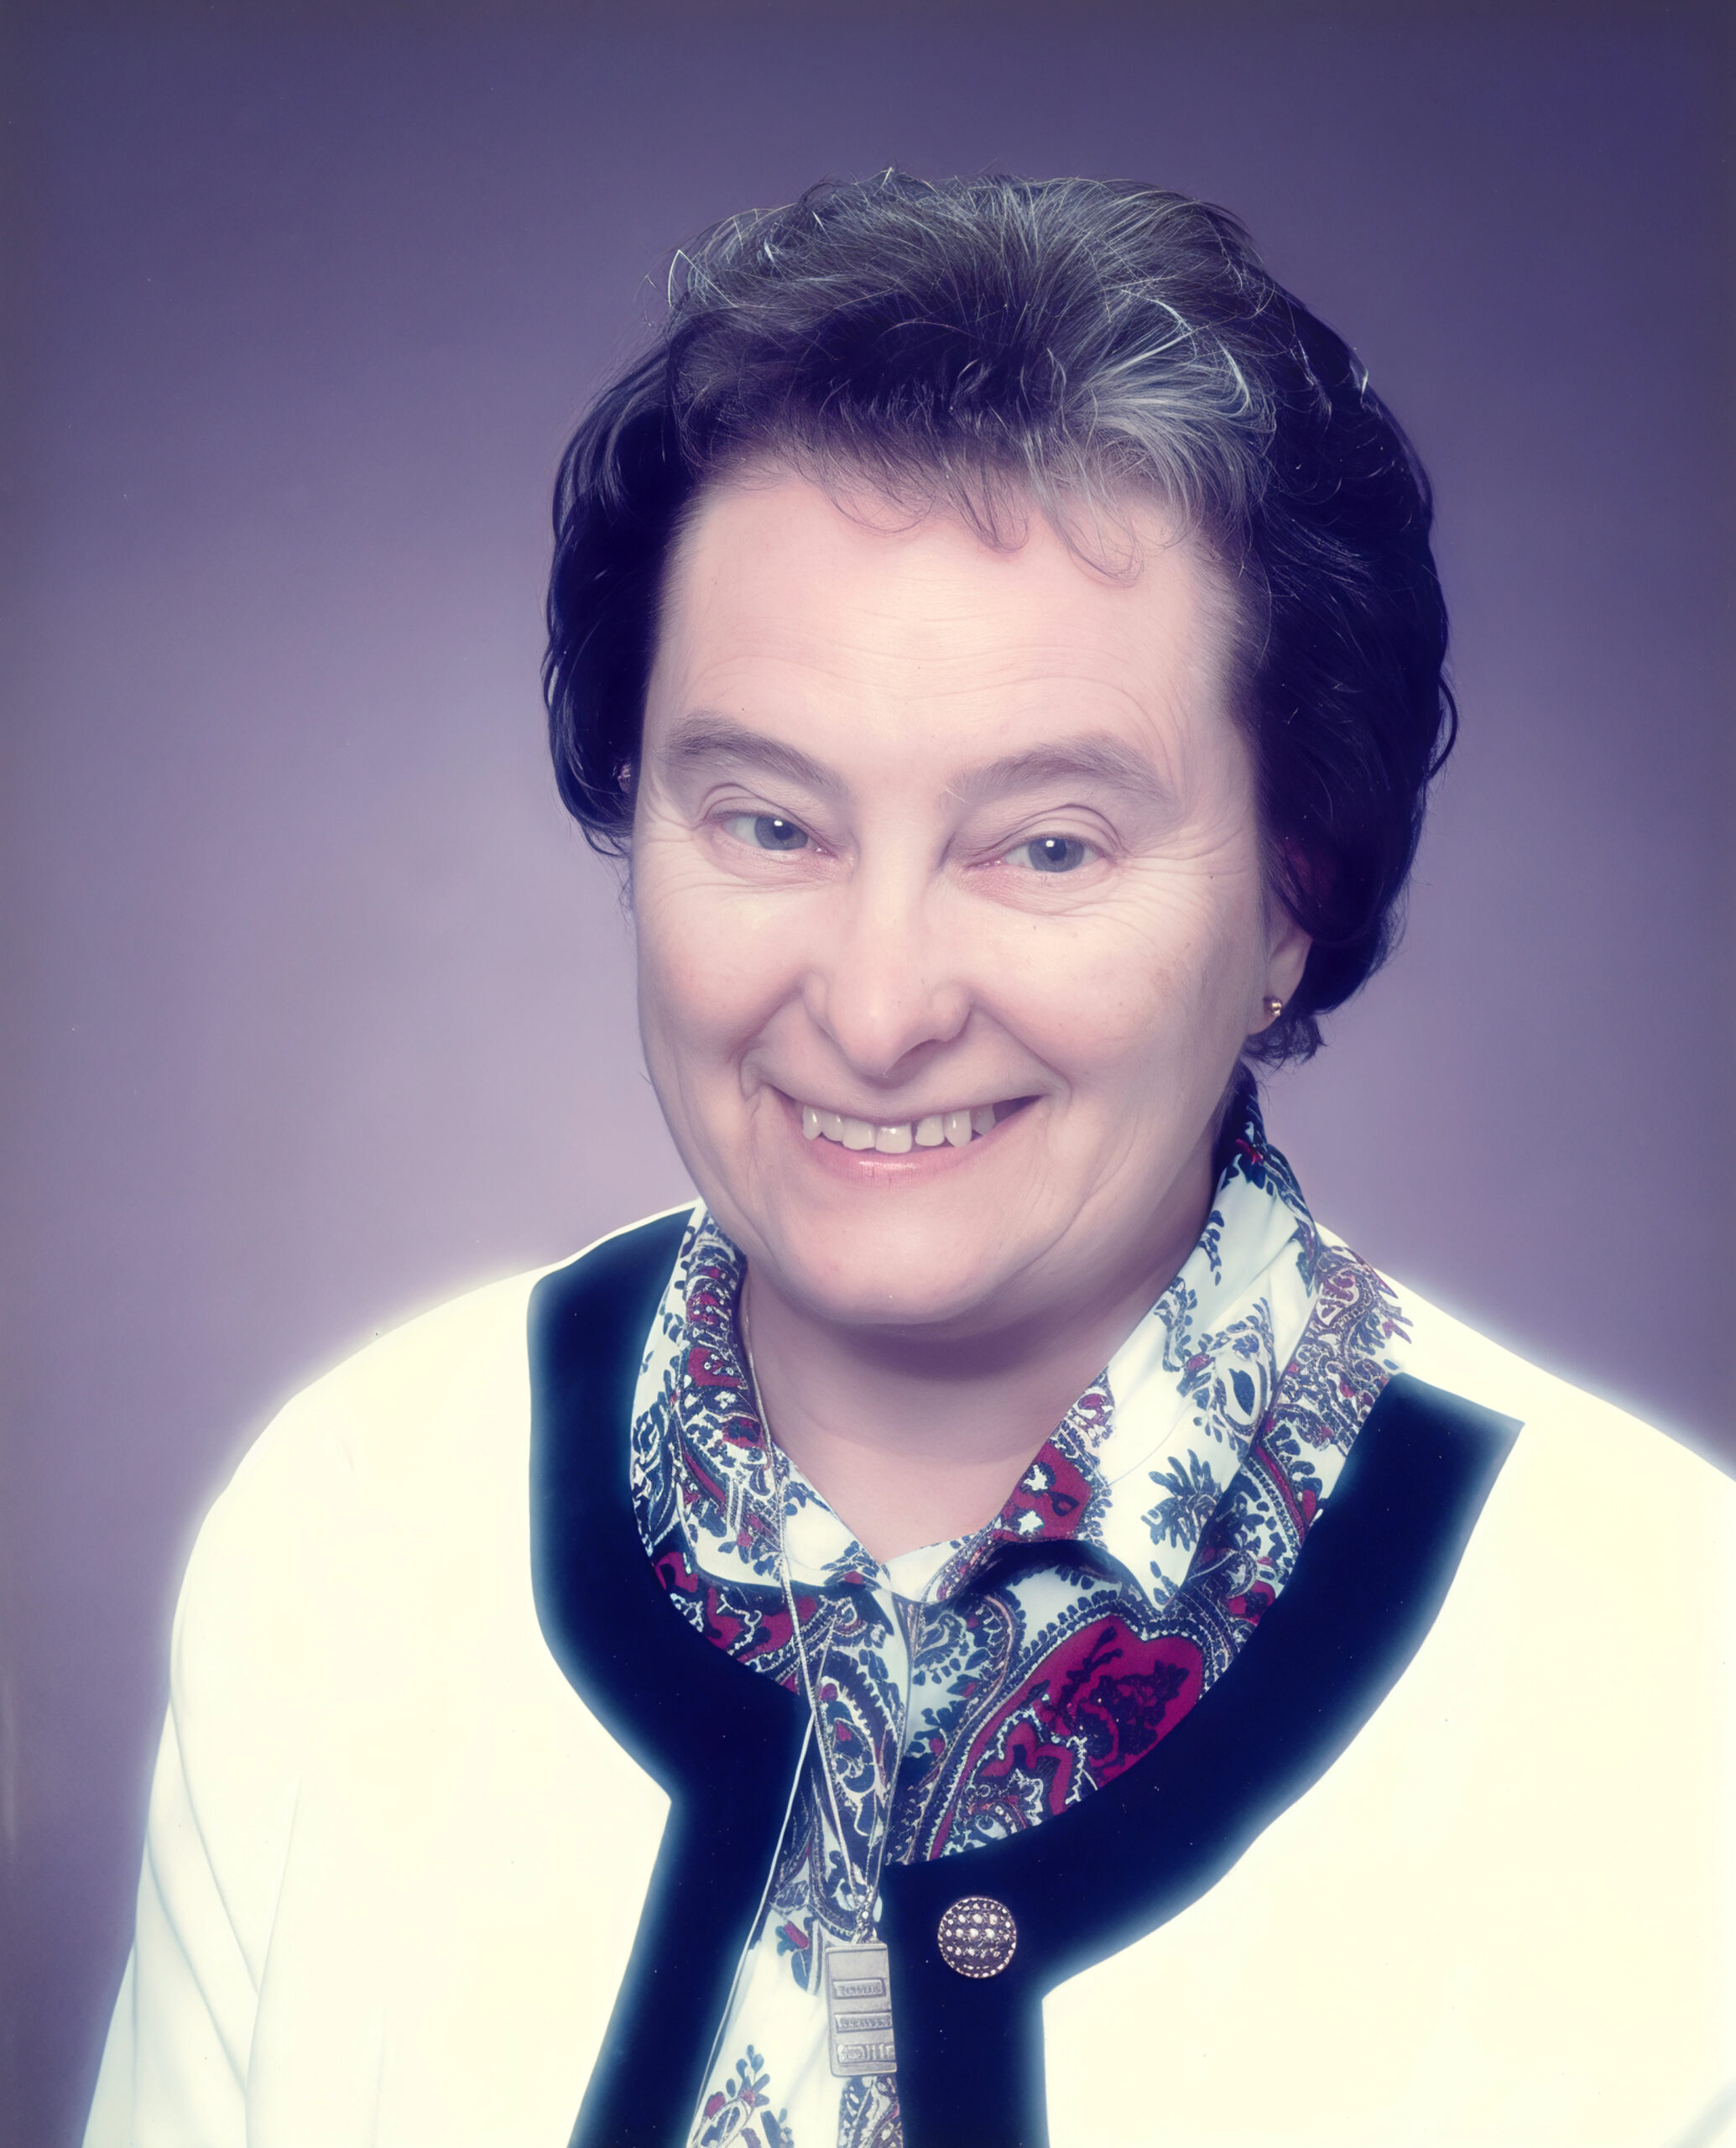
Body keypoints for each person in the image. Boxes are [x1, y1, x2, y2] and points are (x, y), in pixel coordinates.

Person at [85, 174, 1733, 2148]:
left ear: (1295, 889)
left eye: (1046, 844)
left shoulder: (1664, 1684)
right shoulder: (356, 1525)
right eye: (770, 821)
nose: (875, 1008)